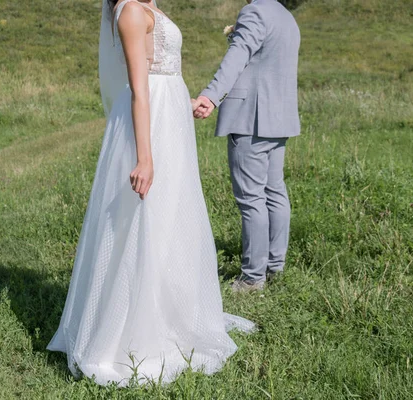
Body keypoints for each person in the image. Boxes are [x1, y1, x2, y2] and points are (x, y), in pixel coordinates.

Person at [47, 0, 254, 386]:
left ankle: (170, 305)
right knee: (145, 219)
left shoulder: (149, 7)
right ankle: (130, 326)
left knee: (171, 217)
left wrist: (184, 104)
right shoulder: (130, 12)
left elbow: (164, 71)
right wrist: (145, 157)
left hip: (169, 115)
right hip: (151, 123)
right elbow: (139, 90)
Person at [192, 0, 301, 292]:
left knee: (251, 199)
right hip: (279, 118)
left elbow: (237, 55)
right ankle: (274, 266)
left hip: (251, 117)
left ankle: (253, 277)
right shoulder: (286, 16)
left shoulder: (255, 12)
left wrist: (211, 95)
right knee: (274, 191)